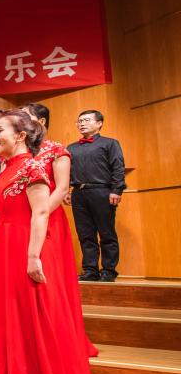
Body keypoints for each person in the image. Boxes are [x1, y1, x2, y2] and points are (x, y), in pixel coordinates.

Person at [0, 110, 111, 374]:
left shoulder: (30, 168)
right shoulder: (7, 168)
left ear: (20, 136)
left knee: (30, 320)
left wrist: (33, 255)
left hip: (22, 248)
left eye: (0, 130)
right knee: (8, 319)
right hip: (1, 250)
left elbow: (42, 211)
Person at [23, 103, 98, 358]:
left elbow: (62, 188)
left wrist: (39, 214)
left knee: (49, 280)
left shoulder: (56, 150)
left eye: (25, 116)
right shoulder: (20, 152)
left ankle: (57, 338)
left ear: (41, 121)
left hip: (48, 220)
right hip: (23, 222)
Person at [67, 109, 125, 282]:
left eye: (86, 120)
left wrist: (116, 190)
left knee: (106, 233)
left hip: (102, 192)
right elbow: (68, 171)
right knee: (85, 234)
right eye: (80, 121)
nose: (82, 124)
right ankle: (90, 270)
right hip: (78, 193)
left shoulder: (110, 143)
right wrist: (67, 190)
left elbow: (118, 167)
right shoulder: (71, 148)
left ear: (99, 123)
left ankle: (108, 271)